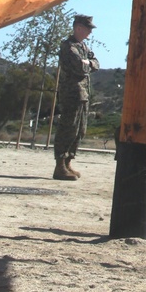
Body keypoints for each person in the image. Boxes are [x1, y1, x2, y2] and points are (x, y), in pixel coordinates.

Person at [52, 14, 100, 181]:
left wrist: (88, 63)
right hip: (71, 93)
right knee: (68, 128)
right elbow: (80, 68)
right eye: (88, 29)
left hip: (83, 94)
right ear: (78, 28)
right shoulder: (68, 47)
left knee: (80, 130)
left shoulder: (83, 47)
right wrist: (87, 64)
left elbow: (96, 63)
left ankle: (68, 162)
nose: (90, 33)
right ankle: (60, 165)